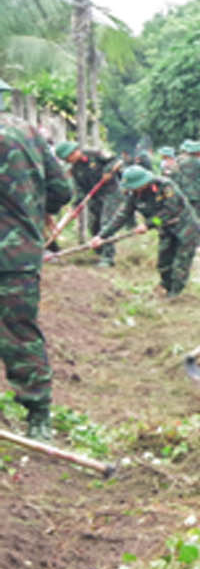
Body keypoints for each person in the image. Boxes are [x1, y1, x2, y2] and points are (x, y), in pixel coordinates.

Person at [1, 96, 74, 440]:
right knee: (19, 333)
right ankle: (38, 418)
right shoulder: (28, 133)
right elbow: (62, 189)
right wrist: (30, 210)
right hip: (18, 254)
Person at [96, 164, 200, 297]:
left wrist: (148, 224)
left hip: (185, 228)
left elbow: (170, 210)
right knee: (164, 262)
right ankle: (167, 288)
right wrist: (102, 236)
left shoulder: (165, 187)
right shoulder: (134, 195)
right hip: (165, 229)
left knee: (181, 262)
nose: (133, 190)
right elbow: (122, 216)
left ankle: (175, 295)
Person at [55, 141, 122, 266]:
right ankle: (100, 250)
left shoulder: (94, 154)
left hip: (110, 193)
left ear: (74, 152)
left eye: (68, 158)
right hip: (94, 196)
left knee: (106, 222)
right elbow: (80, 190)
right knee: (94, 225)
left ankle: (108, 258)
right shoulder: (75, 169)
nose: (69, 161)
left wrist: (108, 172)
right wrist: (76, 207)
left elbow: (116, 160)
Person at [175, 141, 200, 222]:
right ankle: (198, 230)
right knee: (198, 215)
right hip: (198, 193)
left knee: (186, 214)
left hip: (184, 193)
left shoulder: (181, 164)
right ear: (198, 152)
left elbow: (178, 179)